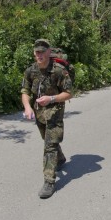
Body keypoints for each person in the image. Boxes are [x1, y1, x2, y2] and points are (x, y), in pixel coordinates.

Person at [21, 39, 73, 199]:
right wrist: (27, 107)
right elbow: (25, 90)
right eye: (37, 52)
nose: (40, 55)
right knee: (47, 138)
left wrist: (50, 99)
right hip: (39, 112)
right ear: (34, 53)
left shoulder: (59, 71)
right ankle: (61, 158)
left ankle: (49, 182)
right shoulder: (30, 71)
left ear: (49, 52)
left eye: (43, 52)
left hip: (55, 110)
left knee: (49, 146)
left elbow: (69, 93)